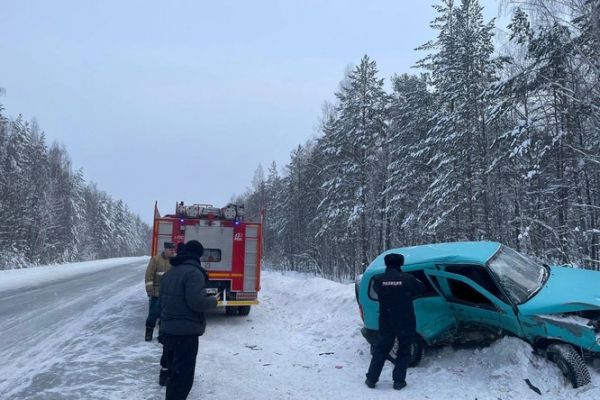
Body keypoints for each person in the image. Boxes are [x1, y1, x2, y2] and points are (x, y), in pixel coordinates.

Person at [159, 240, 218, 400]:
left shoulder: (171, 272)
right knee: (183, 378)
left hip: (168, 331)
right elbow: (197, 302)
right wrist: (213, 301)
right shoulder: (194, 273)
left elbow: (161, 301)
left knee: (173, 373)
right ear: (198, 255)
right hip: (185, 333)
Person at [365, 253, 425, 390]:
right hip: (405, 320)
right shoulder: (409, 279)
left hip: (387, 320)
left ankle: (371, 379)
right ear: (401, 263)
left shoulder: (378, 279)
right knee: (404, 350)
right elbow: (421, 289)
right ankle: (398, 381)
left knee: (381, 349)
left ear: (386, 264)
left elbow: (376, 289)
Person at [145, 242, 175, 341]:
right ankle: (149, 332)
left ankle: (162, 334)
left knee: (165, 315)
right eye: (170, 250)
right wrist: (150, 290)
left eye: (173, 250)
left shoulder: (175, 260)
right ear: (165, 249)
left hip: (170, 294)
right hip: (157, 293)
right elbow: (149, 275)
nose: (172, 251)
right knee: (153, 313)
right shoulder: (156, 260)